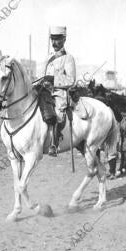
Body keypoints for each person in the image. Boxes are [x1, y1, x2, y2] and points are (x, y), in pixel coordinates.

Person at [43, 26, 76, 156]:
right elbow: (42, 75)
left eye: (57, 39)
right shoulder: (49, 57)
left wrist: (53, 79)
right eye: (52, 39)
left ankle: (54, 144)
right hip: (45, 91)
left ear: (64, 39)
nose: (54, 43)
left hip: (59, 94)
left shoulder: (68, 58)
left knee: (57, 113)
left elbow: (71, 80)